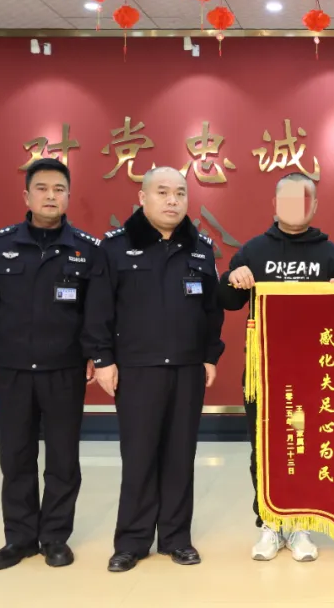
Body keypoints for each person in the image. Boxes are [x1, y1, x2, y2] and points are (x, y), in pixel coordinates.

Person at [83, 166, 225, 573]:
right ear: (142, 198)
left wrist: (210, 355)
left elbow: (212, 310)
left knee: (180, 455)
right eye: (162, 192)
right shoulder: (115, 247)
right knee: (139, 456)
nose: (172, 200)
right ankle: (132, 541)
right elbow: (98, 308)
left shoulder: (200, 248)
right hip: (137, 369)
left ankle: (176, 538)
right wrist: (103, 359)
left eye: (180, 193)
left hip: (186, 368)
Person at [0, 157, 104, 570]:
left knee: (63, 459)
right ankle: (20, 538)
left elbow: (95, 312)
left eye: (59, 189)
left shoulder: (86, 249)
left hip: (64, 369)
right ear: (26, 196)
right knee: (16, 457)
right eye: (42, 188)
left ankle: (55, 537)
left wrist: (94, 354)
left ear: (68, 197)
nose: (50, 196)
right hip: (13, 369)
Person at [218, 172, 334, 563]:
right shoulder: (254, 250)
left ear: (314, 206)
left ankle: (301, 524)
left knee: (305, 446)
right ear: (275, 205)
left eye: (304, 199)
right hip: (264, 371)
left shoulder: (330, 254)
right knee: (264, 448)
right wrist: (232, 277)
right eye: (289, 199)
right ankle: (270, 522)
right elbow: (227, 300)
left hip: (313, 374)